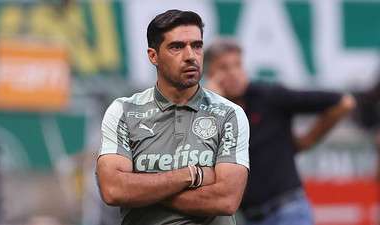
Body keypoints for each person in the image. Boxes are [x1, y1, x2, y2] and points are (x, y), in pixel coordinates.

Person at [96, 10, 250, 225]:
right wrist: (191, 175)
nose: (190, 56)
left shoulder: (229, 113)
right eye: (177, 47)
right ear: (153, 56)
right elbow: (113, 190)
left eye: (196, 46)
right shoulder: (123, 111)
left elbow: (226, 200)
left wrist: (143, 188)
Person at [204, 38, 356, 225]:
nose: (234, 73)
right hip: (247, 218)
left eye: (238, 65)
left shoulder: (269, 97)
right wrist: (212, 104)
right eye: (224, 68)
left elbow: (344, 103)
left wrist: (308, 140)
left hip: (288, 211)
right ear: (210, 74)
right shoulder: (208, 113)